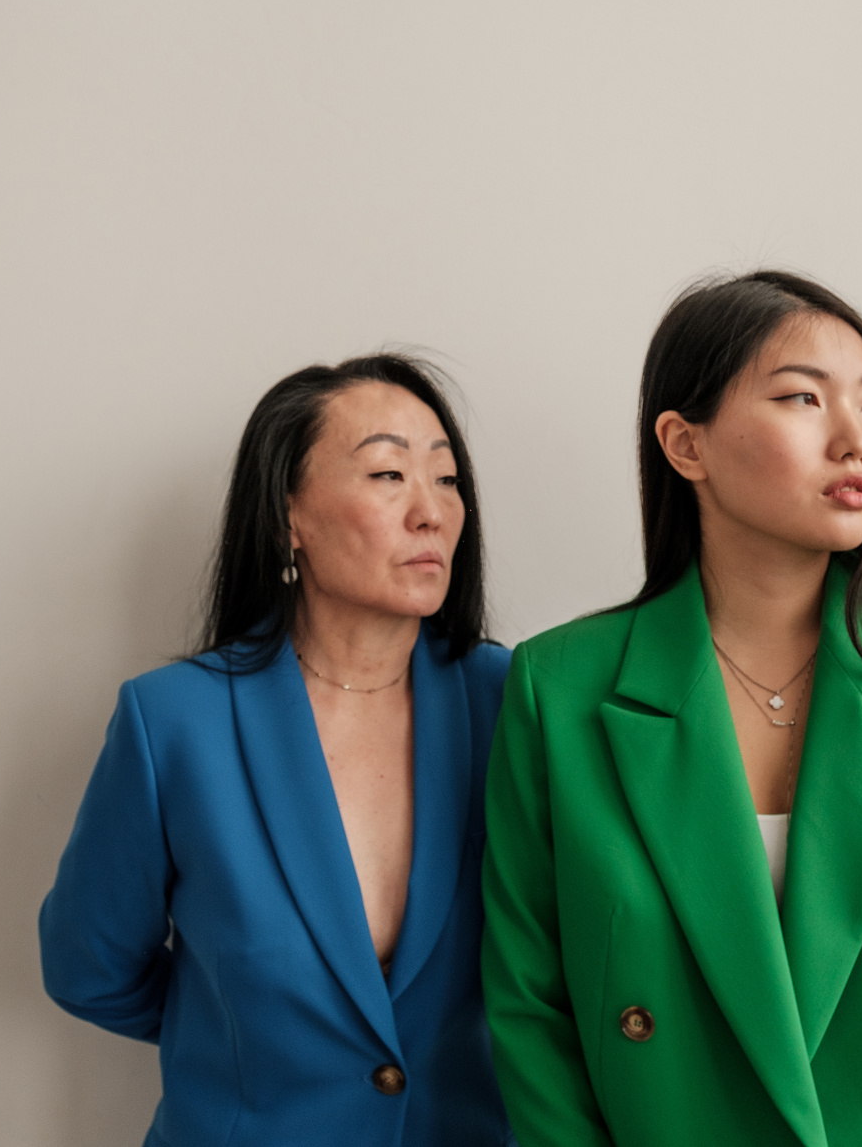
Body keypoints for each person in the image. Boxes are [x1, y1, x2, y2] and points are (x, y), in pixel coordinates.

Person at [482, 272, 862, 1147]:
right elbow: (530, 1011)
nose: (857, 440)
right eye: (804, 398)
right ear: (685, 445)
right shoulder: (560, 688)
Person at [41, 354, 513, 1147]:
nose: (431, 511)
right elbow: (89, 967)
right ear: (288, 516)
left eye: (447, 477)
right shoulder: (174, 722)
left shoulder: (511, 702)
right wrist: (242, 1037)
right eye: (389, 475)